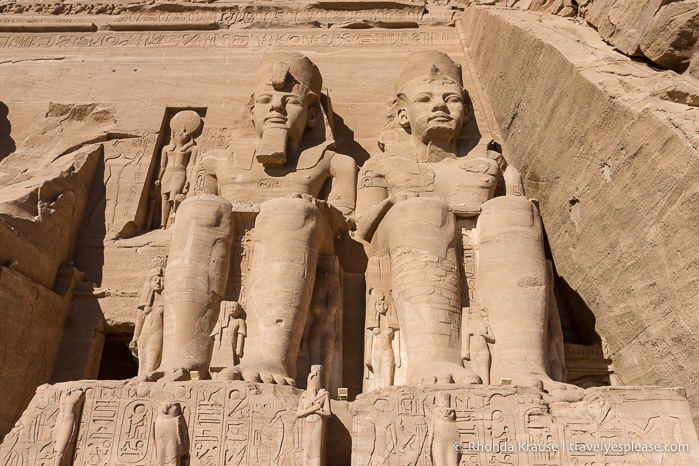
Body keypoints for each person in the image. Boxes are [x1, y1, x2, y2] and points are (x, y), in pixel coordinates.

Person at [357, 50, 565, 392]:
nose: (440, 106)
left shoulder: (491, 164)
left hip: (476, 238)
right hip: (406, 235)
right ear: (403, 115)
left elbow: (520, 207)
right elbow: (362, 226)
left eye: (450, 99)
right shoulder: (381, 165)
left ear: (466, 113)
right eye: (425, 99)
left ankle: (521, 365)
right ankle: (432, 360)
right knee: (424, 213)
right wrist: (399, 202)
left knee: (513, 213)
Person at [154, 52, 356, 385]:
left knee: (289, 212)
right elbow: (199, 199)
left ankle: (269, 359)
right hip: (231, 227)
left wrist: (314, 205)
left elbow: (346, 218)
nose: (276, 107)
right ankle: (183, 357)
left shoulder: (333, 161)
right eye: (265, 100)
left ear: (313, 117)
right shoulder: (218, 160)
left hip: (301, 231)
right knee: (200, 211)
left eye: (289, 102)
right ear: (250, 112)